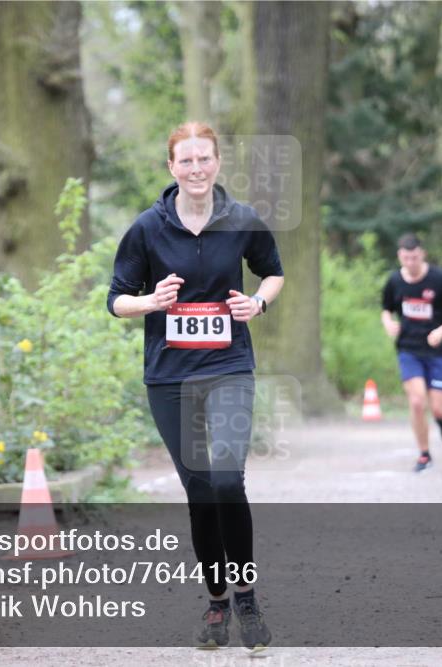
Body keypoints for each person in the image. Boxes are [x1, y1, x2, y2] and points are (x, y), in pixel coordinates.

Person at [106, 121, 285, 651]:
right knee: (200, 491)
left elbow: (272, 272)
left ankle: (247, 596)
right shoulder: (146, 228)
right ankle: (216, 602)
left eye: (204, 159)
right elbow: (116, 299)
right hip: (169, 377)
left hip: (228, 367)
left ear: (217, 163)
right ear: (171, 168)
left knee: (227, 478)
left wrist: (258, 304)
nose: (196, 169)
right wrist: (150, 301)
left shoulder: (242, 219)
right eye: (186, 161)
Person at [380, 233, 442, 473]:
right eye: (406, 258)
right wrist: (388, 323)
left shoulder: (441, 279)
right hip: (409, 349)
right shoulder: (394, 281)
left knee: (438, 407)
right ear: (400, 256)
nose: (410, 263)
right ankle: (424, 454)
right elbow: (386, 310)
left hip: (438, 351)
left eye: (415, 258)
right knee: (417, 401)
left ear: (422, 254)